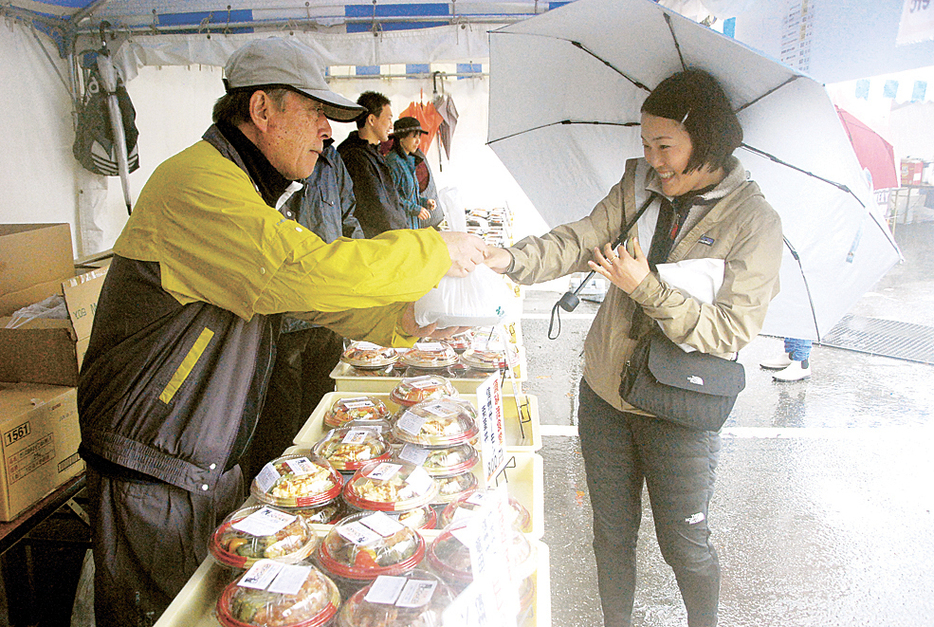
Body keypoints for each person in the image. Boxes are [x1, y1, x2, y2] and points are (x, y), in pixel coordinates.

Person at [76, 37, 486, 627]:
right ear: (263, 110)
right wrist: (432, 250)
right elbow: (303, 275)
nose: (327, 132)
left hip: (195, 457)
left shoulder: (244, 188)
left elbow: (304, 302)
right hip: (155, 466)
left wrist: (404, 320)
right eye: (317, 113)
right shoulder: (196, 185)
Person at [485, 69, 784, 627]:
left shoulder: (753, 221)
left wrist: (644, 287)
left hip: (680, 406)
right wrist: (507, 258)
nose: (653, 159)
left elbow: (730, 331)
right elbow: (580, 238)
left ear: (708, 141)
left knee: (685, 542)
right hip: (606, 396)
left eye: (664, 146)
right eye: (645, 144)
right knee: (611, 532)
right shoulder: (639, 187)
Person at [239, 137, 363, 484]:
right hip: (281, 321)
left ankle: (317, 488)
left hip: (328, 313)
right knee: (278, 423)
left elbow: (347, 218)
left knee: (322, 415)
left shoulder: (331, 160)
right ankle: (272, 496)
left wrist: (355, 284)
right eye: (314, 111)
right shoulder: (265, 159)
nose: (323, 125)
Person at [337, 91, 407, 237]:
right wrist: (403, 235)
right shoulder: (354, 156)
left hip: (388, 237)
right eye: (388, 119)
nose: (391, 126)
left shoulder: (373, 152)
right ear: (371, 120)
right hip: (375, 241)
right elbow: (376, 207)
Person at [384, 116, 437, 229]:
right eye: (414, 137)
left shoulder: (408, 160)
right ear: (401, 138)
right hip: (400, 227)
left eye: (419, 137)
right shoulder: (393, 162)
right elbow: (391, 197)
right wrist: (415, 209)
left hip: (411, 226)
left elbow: (408, 195)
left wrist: (424, 202)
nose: (418, 141)